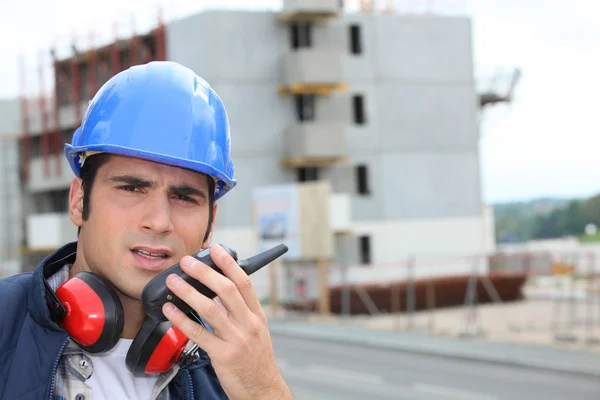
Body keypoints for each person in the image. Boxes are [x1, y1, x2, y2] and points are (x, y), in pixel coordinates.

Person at [0, 61, 293, 400]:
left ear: (210, 222)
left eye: (184, 197)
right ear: (79, 200)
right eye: (131, 188)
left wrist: (264, 390)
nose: (159, 221)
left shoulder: (231, 366)